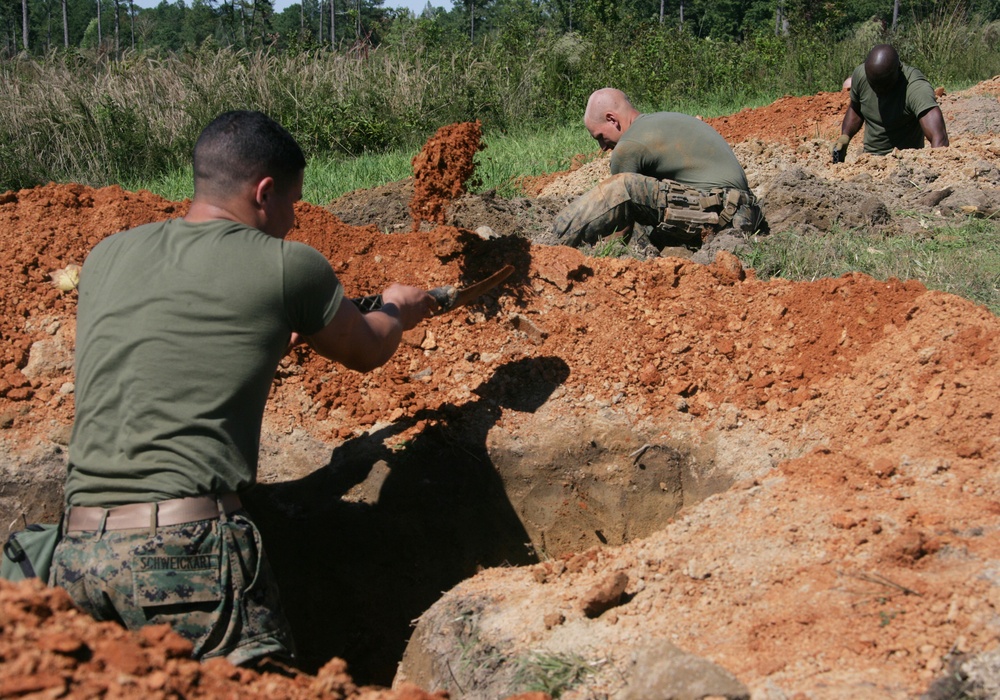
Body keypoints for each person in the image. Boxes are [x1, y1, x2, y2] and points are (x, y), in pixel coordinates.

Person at [49, 110, 437, 668]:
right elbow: (367, 349)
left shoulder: (107, 255)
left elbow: (170, 348)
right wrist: (400, 306)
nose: (294, 221)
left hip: (76, 556)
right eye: (294, 203)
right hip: (185, 556)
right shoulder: (286, 265)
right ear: (265, 191)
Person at [552, 88, 767, 252]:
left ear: (612, 119)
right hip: (744, 212)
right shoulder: (662, 121)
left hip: (721, 213)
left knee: (620, 188)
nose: (602, 147)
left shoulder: (629, 146)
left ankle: (551, 243)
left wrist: (600, 247)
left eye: (600, 137)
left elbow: (618, 213)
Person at [833, 44, 949, 161]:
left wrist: (936, 167)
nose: (877, 90)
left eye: (883, 85)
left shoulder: (915, 88)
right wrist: (845, 137)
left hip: (905, 163)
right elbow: (856, 108)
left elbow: (939, 137)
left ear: (898, 70)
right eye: (873, 84)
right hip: (870, 160)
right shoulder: (861, 75)